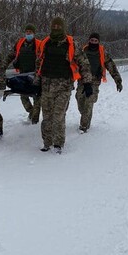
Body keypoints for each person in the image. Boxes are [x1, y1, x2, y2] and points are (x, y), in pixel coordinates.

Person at [34, 16, 92, 154]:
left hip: (63, 86)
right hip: (46, 85)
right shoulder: (45, 43)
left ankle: (58, 144)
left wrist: (88, 82)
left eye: (59, 27)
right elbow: (39, 64)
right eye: (54, 27)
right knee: (47, 117)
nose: (56, 29)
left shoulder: (71, 43)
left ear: (63, 28)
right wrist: (36, 83)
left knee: (58, 116)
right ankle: (47, 143)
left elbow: (84, 63)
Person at [76, 32, 123, 133]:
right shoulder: (83, 51)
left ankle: (83, 126)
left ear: (98, 42)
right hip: (82, 80)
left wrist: (118, 81)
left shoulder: (102, 53)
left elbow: (111, 67)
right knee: (80, 101)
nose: (93, 42)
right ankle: (86, 115)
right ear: (89, 41)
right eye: (92, 40)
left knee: (89, 101)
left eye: (95, 41)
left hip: (95, 81)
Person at [5, 23, 42, 124]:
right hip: (21, 74)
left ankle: (35, 120)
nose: (28, 33)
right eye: (27, 32)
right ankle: (31, 111)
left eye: (30, 32)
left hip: (35, 74)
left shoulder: (39, 44)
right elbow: (11, 55)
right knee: (23, 95)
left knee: (37, 97)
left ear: (34, 33)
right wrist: (4, 66)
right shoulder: (20, 43)